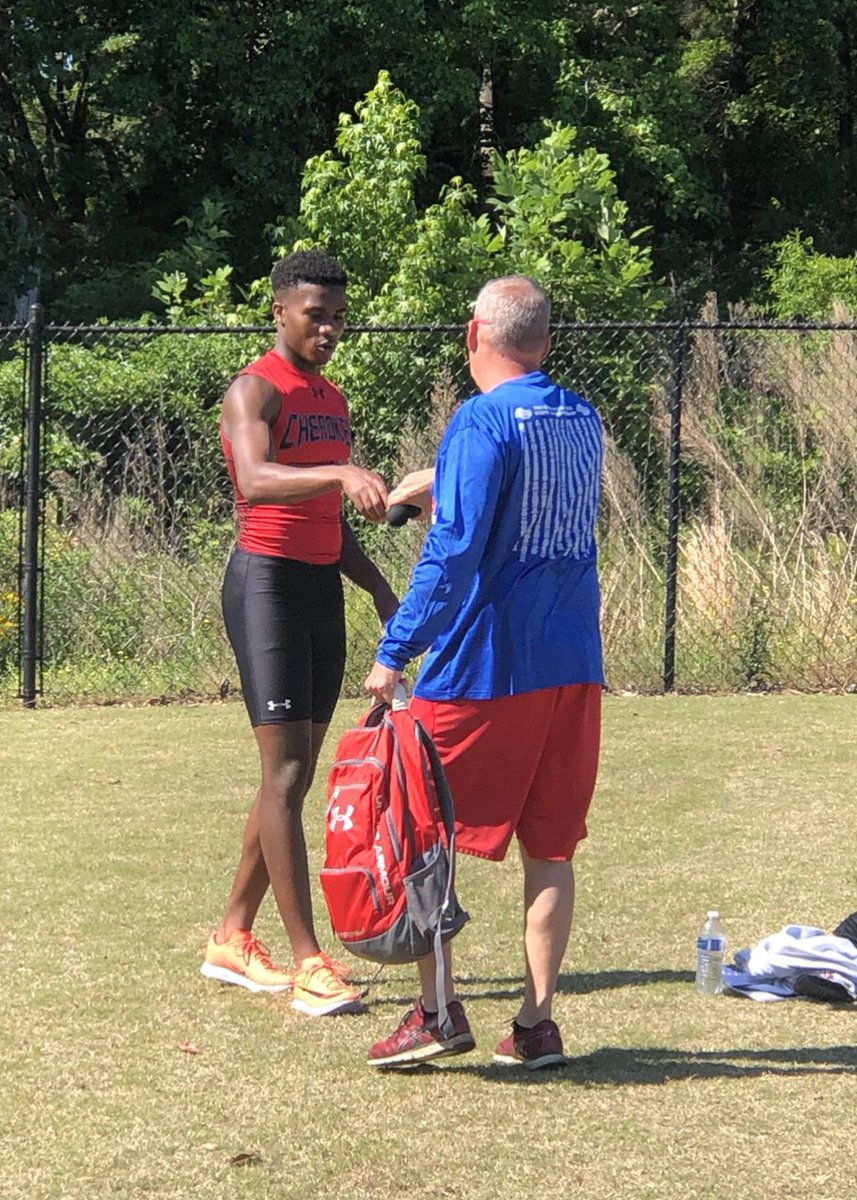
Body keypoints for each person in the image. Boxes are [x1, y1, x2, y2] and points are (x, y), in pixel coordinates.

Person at [363, 275, 604, 1068]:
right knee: (552, 848)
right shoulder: (580, 415)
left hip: (483, 668)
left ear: (474, 334)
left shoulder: (479, 419)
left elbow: (454, 552)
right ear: (542, 340)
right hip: (570, 663)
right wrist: (442, 476)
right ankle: (536, 1024)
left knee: (418, 832)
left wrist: (394, 648)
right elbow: (526, 489)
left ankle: (436, 1014)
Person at [202, 249, 398, 1017]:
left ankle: (229, 936)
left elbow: (327, 518)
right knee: (284, 777)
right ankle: (309, 962)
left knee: (294, 774)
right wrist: (343, 474)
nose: (328, 329)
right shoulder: (255, 388)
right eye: (315, 315)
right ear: (279, 310)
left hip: (318, 585)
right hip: (266, 587)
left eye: (338, 318)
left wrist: (379, 588)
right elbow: (255, 480)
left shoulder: (332, 397)